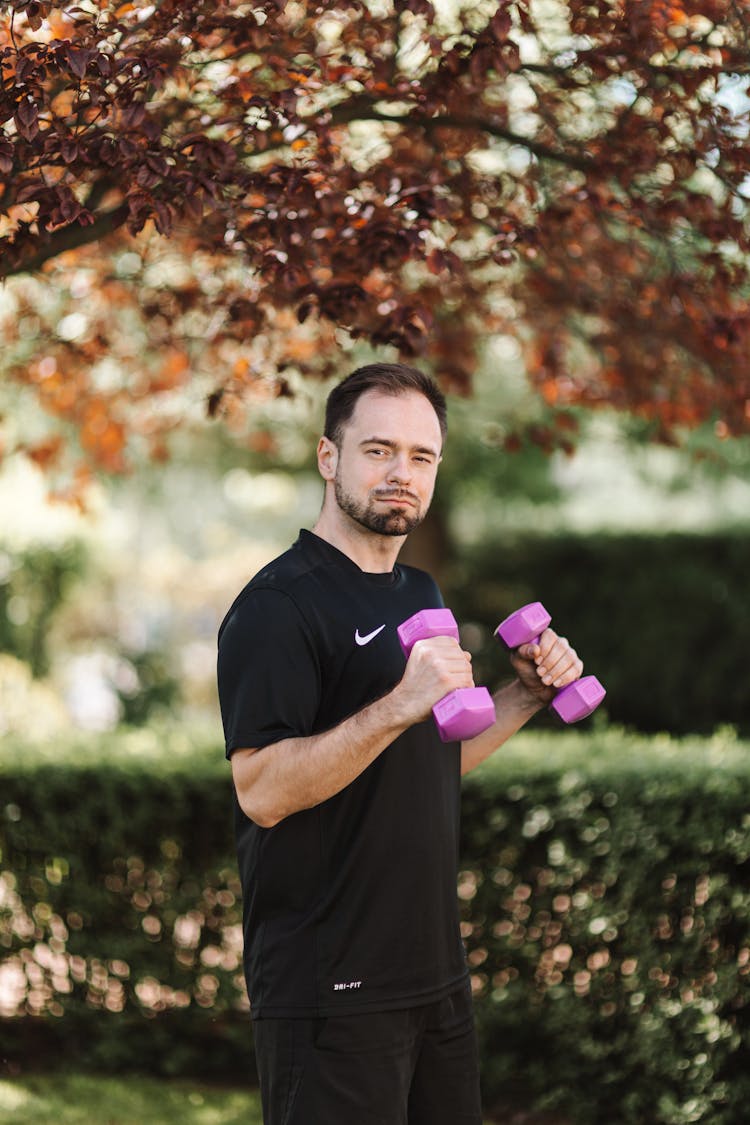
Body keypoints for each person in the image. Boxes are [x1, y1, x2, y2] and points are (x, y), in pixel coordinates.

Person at [217, 362, 584, 1125]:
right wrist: (399, 704)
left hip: (433, 979)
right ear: (329, 458)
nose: (401, 474)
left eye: (421, 457)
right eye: (378, 450)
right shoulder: (276, 607)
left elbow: (431, 762)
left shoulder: (420, 592)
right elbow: (262, 791)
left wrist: (526, 695)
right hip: (330, 990)